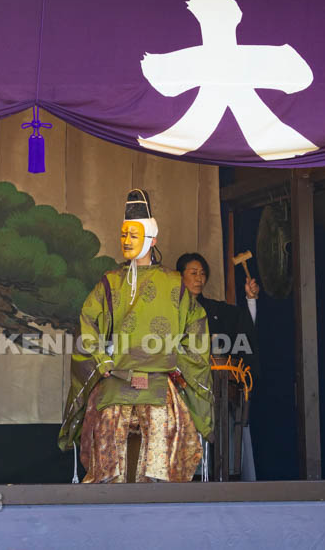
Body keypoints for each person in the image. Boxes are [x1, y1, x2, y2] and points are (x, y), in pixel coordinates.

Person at [58, 189, 213, 483]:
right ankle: (109, 496)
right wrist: (101, 360)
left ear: (152, 239)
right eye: (123, 234)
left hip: (159, 381)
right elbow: (87, 322)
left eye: (134, 234)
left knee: (162, 431)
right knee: (106, 431)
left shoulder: (174, 283)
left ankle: (158, 499)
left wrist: (177, 362)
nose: (126, 240)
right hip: (115, 379)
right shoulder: (110, 282)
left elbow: (196, 328)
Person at [177, 252, 259, 481]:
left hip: (215, 390)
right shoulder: (170, 311)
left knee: (223, 423)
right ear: (180, 276)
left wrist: (250, 300)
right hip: (181, 389)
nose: (199, 278)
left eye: (203, 273)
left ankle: (224, 477)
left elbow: (243, 330)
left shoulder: (215, 311)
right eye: (193, 273)